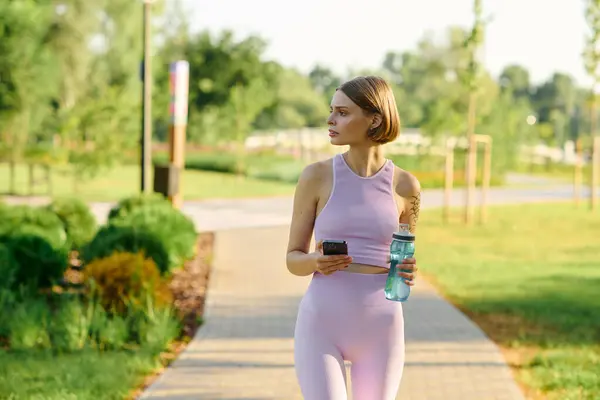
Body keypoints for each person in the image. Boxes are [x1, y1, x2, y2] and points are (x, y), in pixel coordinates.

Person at [285, 75, 421, 400]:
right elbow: (292, 258)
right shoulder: (315, 176)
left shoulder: (406, 187)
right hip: (322, 322)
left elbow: (403, 256)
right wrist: (315, 261)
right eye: (332, 110)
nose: (331, 120)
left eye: (343, 112)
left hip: (382, 326)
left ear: (374, 119)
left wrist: (409, 270)